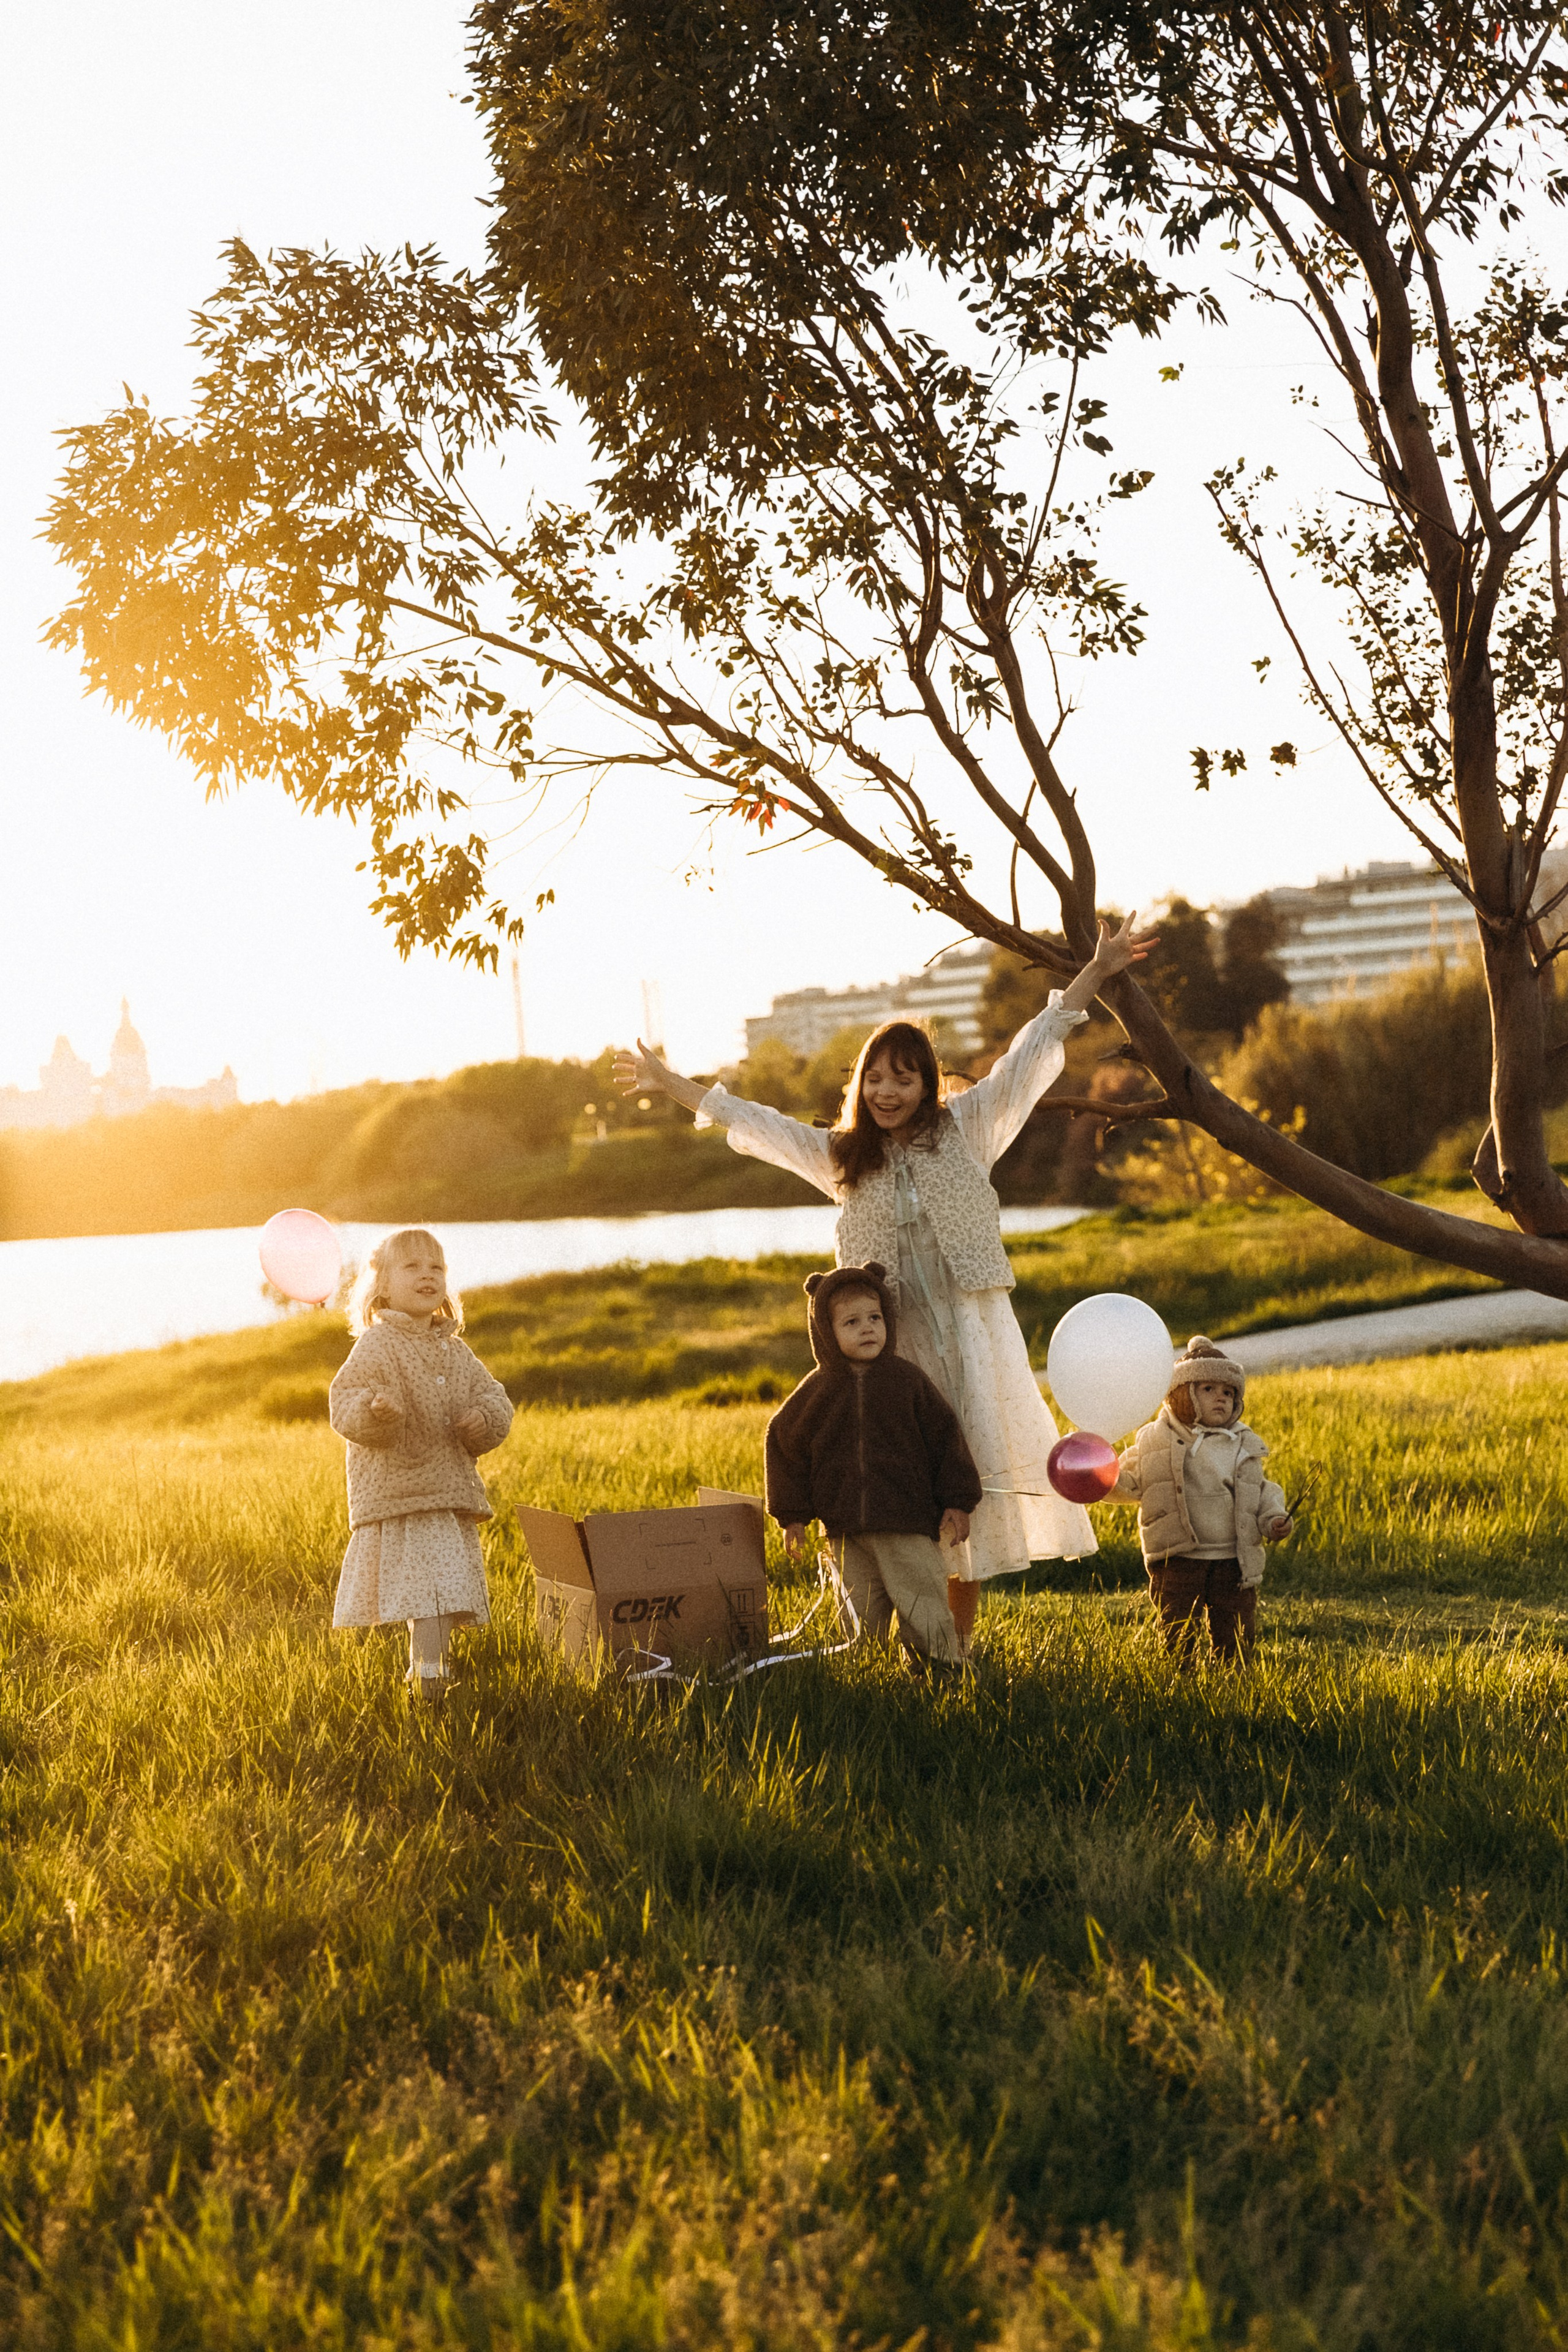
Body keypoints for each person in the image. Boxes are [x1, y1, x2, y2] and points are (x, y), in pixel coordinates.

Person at [614, 913, 1155, 1643]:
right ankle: (893, 1638)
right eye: (875, 1076)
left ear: (927, 1082)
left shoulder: (967, 1127)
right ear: (859, 1086)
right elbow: (758, 1123)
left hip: (970, 1338)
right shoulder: (844, 1158)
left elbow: (1030, 1051)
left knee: (966, 1485)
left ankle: (949, 1644)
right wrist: (668, 1082)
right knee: (901, 1487)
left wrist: (1095, 970)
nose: (887, 1089)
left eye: (904, 1076)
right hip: (888, 1352)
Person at [764, 1262, 982, 1672]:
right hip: (846, 1530)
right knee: (858, 1610)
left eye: (875, 1317)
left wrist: (957, 1501)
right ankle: (868, 1674)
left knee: (922, 1601)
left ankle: (942, 1669)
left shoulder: (907, 1382)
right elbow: (783, 1444)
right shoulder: (817, 1391)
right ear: (826, 1333)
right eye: (851, 1322)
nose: (867, 1329)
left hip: (907, 1523)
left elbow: (946, 1440)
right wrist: (792, 1516)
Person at [328, 1228, 514, 1702]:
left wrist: (482, 1420)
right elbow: (345, 1400)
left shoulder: (455, 1350)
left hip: (447, 1490)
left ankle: (430, 1671)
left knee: (443, 1593)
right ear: (383, 1285)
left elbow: (494, 1397)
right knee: (431, 1594)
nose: (428, 1275)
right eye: (412, 1267)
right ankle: (428, 1678)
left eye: (437, 1267)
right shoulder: (377, 1344)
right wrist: (376, 1412)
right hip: (402, 1493)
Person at [1110, 1335, 1292, 1667]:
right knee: (1178, 1625)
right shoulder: (1155, 1441)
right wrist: (1101, 1474)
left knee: (1235, 1627)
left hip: (1231, 1557)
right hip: (1177, 1555)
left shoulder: (1241, 1443)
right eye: (1208, 1390)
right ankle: (1181, 1678)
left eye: (1228, 1392)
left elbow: (1261, 1490)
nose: (1220, 1399)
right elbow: (1130, 1482)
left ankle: (1231, 1679)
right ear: (1182, 1394)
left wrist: (1273, 1519)